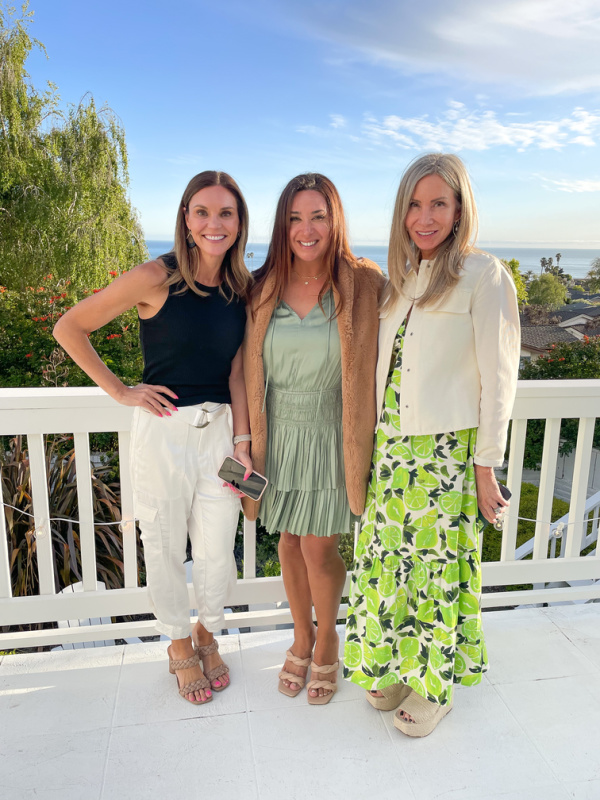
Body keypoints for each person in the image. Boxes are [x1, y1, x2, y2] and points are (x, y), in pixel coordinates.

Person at [54, 170, 253, 705]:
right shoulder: (155, 277)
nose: (215, 223)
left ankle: (209, 633)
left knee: (217, 549)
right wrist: (121, 391)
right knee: (162, 545)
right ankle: (179, 645)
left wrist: (244, 442)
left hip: (221, 439)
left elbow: (238, 370)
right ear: (186, 219)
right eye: (203, 212)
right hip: (162, 433)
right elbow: (70, 328)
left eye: (226, 213)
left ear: (239, 223)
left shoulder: (241, 287)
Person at [344, 153, 520, 736]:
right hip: (391, 449)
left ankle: (433, 683)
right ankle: (395, 665)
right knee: (386, 566)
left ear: (460, 208)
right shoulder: (400, 279)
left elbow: (500, 378)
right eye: (415, 204)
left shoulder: (483, 275)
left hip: (447, 454)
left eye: (438, 203)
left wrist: (486, 466)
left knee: (436, 573)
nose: (425, 216)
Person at [243, 173, 385, 704]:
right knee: (287, 542)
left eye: (318, 216)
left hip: (333, 433)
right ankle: (300, 636)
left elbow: (400, 338)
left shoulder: (364, 282)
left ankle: (327, 640)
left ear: (335, 220)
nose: (307, 229)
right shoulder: (261, 286)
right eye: (295, 218)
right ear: (283, 225)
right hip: (275, 436)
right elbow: (240, 367)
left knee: (319, 546)